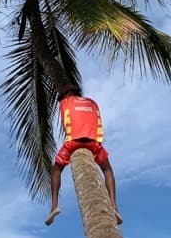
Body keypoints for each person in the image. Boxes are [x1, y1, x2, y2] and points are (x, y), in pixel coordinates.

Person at [45, 85, 121, 226]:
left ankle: (54, 205)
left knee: (56, 170)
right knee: (107, 170)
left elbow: (66, 122)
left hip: (73, 144)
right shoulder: (92, 103)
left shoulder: (65, 102)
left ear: (66, 94)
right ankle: (114, 206)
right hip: (94, 145)